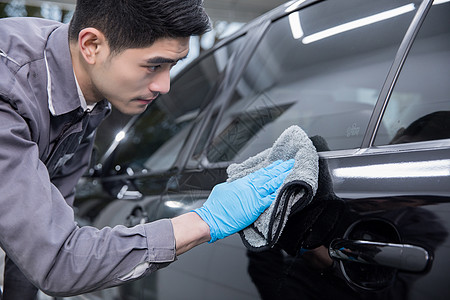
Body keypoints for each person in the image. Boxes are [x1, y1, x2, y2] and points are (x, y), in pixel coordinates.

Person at [0, 0, 294, 298]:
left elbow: (39, 239)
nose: (164, 86)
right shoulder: (8, 91)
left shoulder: (89, 88)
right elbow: (58, 259)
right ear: (91, 45)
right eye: (154, 65)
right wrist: (205, 220)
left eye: (172, 66)